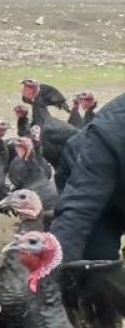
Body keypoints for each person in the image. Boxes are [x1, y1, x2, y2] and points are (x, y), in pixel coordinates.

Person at [50, 92, 125, 262]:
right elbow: (77, 214)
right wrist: (52, 279)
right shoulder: (110, 134)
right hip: (89, 179)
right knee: (95, 262)